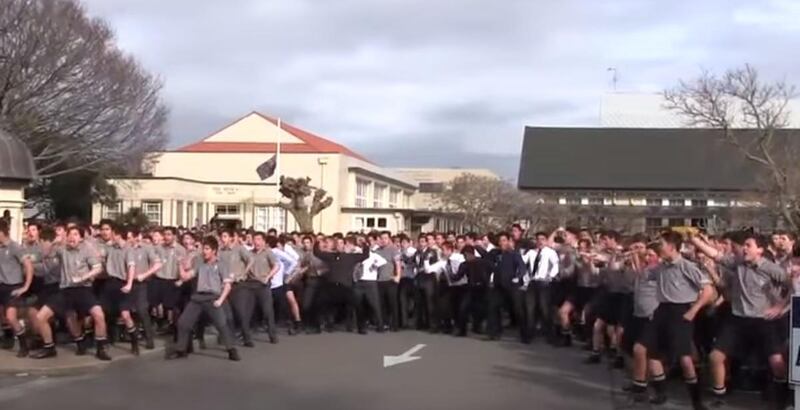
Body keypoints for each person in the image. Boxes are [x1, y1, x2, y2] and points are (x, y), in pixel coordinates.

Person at [692, 232, 792, 409]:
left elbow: (792, 287)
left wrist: (779, 307)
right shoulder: (737, 263)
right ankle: (719, 395)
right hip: (737, 320)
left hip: (763, 321)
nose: (743, 248)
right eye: (743, 245)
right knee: (715, 357)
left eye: (748, 245)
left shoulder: (772, 269)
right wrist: (695, 240)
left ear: (759, 249)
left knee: (777, 362)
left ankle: (780, 398)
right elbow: (715, 254)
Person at [641, 231, 715, 410]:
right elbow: (643, 275)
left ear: (672, 247)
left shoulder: (686, 266)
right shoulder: (660, 267)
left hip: (680, 311)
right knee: (652, 352)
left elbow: (708, 291)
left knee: (684, 357)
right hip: (662, 310)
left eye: (662, 244)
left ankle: (696, 400)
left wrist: (693, 311)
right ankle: (660, 392)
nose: (659, 247)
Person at [30, 226, 111, 361]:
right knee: (41, 317)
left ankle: (101, 348)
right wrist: (54, 243)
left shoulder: (86, 250)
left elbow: (97, 268)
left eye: (75, 234)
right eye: (70, 234)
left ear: (80, 238)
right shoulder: (61, 249)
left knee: (99, 315)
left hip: (83, 289)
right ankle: (50, 347)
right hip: (65, 290)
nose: (72, 237)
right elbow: (44, 256)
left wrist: (83, 277)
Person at [167, 235, 240, 361]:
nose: (204, 252)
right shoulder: (199, 263)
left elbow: (227, 286)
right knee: (183, 323)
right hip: (198, 298)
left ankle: (231, 349)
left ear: (214, 251)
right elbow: (185, 276)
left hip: (213, 298)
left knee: (222, 324)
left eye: (207, 249)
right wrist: (180, 264)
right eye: (203, 249)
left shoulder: (221, 264)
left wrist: (220, 301)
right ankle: (181, 350)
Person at [232, 232, 279, 346]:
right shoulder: (249, 253)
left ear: (263, 241)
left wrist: (268, 277)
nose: (256, 242)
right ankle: (247, 338)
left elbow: (276, 266)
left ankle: (272, 335)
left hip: (262, 285)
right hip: (249, 285)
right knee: (246, 313)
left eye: (259, 239)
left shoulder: (268, 252)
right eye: (255, 239)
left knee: (267, 311)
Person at [313, 236, 369, 332]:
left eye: (341, 243)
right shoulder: (330, 256)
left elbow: (365, 255)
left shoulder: (351, 257)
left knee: (358, 305)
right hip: (332, 286)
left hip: (346, 287)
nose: (339, 245)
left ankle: (361, 327)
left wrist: (364, 244)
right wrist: (317, 242)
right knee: (320, 303)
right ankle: (322, 326)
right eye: (337, 244)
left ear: (344, 245)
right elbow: (317, 253)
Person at [0, 220, 34, 357]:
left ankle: (23, 344)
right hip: (1, 284)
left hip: (13, 286)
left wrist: (25, 286)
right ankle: (8, 338)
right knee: (3, 316)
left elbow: (29, 266)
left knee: (11, 316)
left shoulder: (15, 247)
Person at [486, 232, 526, 342]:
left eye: (504, 240)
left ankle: (525, 334)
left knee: (518, 310)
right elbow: (486, 260)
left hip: (512, 285)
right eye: (500, 241)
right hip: (498, 285)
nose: (501, 243)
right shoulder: (495, 254)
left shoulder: (514, 254)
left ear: (508, 241)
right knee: (493, 307)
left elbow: (522, 268)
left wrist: (518, 277)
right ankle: (494, 332)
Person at [522, 231, 560, 344]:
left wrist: (550, 276)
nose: (540, 241)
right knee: (530, 309)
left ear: (546, 240)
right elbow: (522, 262)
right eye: (538, 239)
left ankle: (550, 335)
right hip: (532, 282)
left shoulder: (550, 252)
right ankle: (529, 334)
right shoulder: (531, 252)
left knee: (545, 309)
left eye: (542, 239)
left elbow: (555, 265)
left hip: (544, 283)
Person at [375, 231, 401, 332]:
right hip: (379, 280)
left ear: (389, 239)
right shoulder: (377, 251)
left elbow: (397, 263)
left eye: (385, 238)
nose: (383, 240)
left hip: (390, 280)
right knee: (382, 304)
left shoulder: (393, 249)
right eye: (382, 238)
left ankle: (395, 325)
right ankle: (384, 323)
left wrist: (397, 276)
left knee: (392, 303)